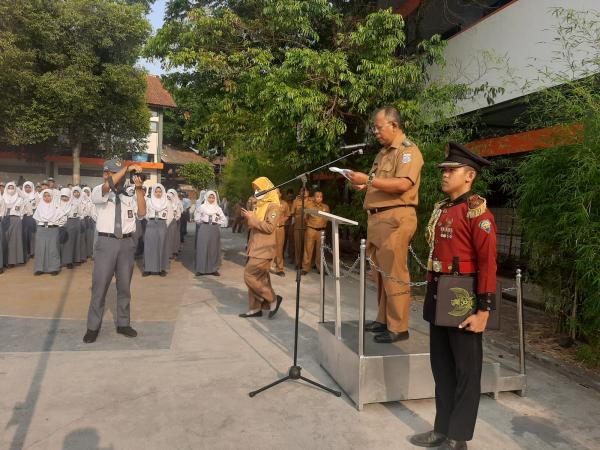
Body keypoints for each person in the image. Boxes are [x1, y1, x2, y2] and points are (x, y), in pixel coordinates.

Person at [409, 142, 497, 450]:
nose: (445, 175)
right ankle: (441, 430)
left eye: (451, 170)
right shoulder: (444, 209)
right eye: (444, 170)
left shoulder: (478, 213)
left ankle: (458, 438)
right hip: (439, 293)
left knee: (466, 371)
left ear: (469, 175)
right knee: (442, 367)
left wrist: (484, 309)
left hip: (464, 296)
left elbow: (488, 263)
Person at [347, 106, 424, 343]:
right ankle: (383, 320)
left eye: (379, 127)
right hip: (377, 219)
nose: (375, 132)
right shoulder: (382, 154)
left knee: (394, 273)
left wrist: (368, 179)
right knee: (379, 274)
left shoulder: (408, 152)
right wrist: (361, 184)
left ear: (394, 125)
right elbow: (377, 183)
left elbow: (402, 184)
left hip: (396, 218)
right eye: (375, 127)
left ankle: (399, 327)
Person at [83, 160, 146, 343]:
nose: (110, 175)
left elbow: (142, 212)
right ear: (104, 174)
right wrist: (126, 167)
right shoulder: (99, 192)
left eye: (115, 172)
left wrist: (139, 188)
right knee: (100, 286)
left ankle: (123, 323)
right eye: (109, 172)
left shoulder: (129, 194)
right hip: (106, 243)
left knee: (124, 286)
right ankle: (93, 327)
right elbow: (107, 187)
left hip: (126, 243)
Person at [239, 177, 283, 318]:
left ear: (268, 189)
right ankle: (255, 308)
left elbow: (269, 227)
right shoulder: (260, 204)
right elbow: (254, 224)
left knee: (249, 275)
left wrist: (252, 218)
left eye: (259, 189)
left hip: (264, 248)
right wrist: (248, 217)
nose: (257, 192)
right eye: (255, 189)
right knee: (261, 278)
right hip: (255, 246)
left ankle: (272, 298)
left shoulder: (273, 206)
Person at [33, 189, 67, 275]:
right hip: (41, 229)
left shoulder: (57, 206)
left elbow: (63, 218)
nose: (46, 198)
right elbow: (36, 219)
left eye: (48, 196)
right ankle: (39, 268)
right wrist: (42, 224)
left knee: (53, 248)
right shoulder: (40, 206)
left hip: (53, 229)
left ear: (52, 196)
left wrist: (55, 224)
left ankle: (54, 268)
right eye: (45, 196)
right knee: (40, 248)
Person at [143, 183, 171, 277]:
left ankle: (161, 269)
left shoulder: (167, 202)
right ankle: (148, 268)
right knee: (149, 246)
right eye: (156, 191)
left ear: (163, 192)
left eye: (160, 191)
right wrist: (151, 220)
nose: (158, 193)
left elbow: (170, 215)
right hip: (151, 224)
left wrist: (163, 223)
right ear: (153, 192)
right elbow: (145, 213)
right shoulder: (148, 201)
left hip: (162, 224)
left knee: (162, 246)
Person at [194, 190, 225, 276]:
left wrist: (216, 222)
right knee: (202, 248)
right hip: (204, 228)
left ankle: (213, 269)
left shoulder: (218, 209)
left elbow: (223, 219)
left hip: (214, 229)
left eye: (213, 197)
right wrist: (204, 222)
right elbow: (197, 218)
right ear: (206, 198)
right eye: (209, 197)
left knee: (214, 249)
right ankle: (201, 269)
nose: (211, 199)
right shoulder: (202, 207)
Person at [302, 190, 330, 275]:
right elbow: (305, 218)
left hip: (321, 231)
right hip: (311, 230)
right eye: (317, 196)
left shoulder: (326, 207)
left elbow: (328, 218)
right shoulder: (309, 206)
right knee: (308, 250)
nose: (319, 198)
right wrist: (310, 225)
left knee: (320, 250)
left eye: (321, 196)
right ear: (314, 197)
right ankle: (305, 268)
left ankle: (320, 268)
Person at [2, 181, 26, 267]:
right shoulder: (2, 198)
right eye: (9, 188)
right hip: (4, 219)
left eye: (12, 188)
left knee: (13, 241)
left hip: (15, 220)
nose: (11, 190)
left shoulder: (19, 199)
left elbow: (20, 210)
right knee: (4, 240)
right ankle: (3, 261)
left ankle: (11, 261)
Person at [59, 188, 81, 269]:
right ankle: (60, 261)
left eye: (66, 196)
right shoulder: (57, 204)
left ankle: (69, 261)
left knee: (70, 244)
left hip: (71, 224)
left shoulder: (74, 204)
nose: (64, 198)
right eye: (63, 196)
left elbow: (79, 213)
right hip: (60, 224)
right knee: (60, 244)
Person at [290, 188, 313, 268]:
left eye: (306, 191)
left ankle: (307, 264)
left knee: (308, 247)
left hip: (309, 227)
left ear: (309, 192)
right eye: (302, 191)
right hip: (298, 226)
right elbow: (292, 213)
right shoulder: (296, 201)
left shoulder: (312, 201)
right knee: (298, 246)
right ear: (299, 192)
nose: (304, 192)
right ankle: (298, 263)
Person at [272, 189, 290, 276]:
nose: (276, 194)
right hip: (270, 229)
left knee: (279, 249)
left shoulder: (284, 204)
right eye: (274, 192)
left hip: (280, 229)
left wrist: (282, 221)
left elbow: (287, 215)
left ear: (280, 194)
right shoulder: (269, 204)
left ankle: (279, 268)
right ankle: (267, 267)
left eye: (277, 192)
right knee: (268, 248)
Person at [21, 181, 38, 259]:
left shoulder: (35, 196)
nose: (28, 189)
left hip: (33, 217)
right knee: (25, 234)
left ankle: (32, 252)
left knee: (32, 235)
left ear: (32, 188)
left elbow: (38, 207)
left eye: (29, 187)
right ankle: (25, 251)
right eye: (26, 187)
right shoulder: (20, 197)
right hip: (23, 217)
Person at [167, 188, 182, 258]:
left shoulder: (177, 203)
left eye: (172, 194)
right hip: (165, 222)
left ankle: (174, 250)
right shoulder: (164, 203)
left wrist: (175, 219)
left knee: (173, 237)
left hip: (174, 222)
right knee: (167, 238)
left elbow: (179, 212)